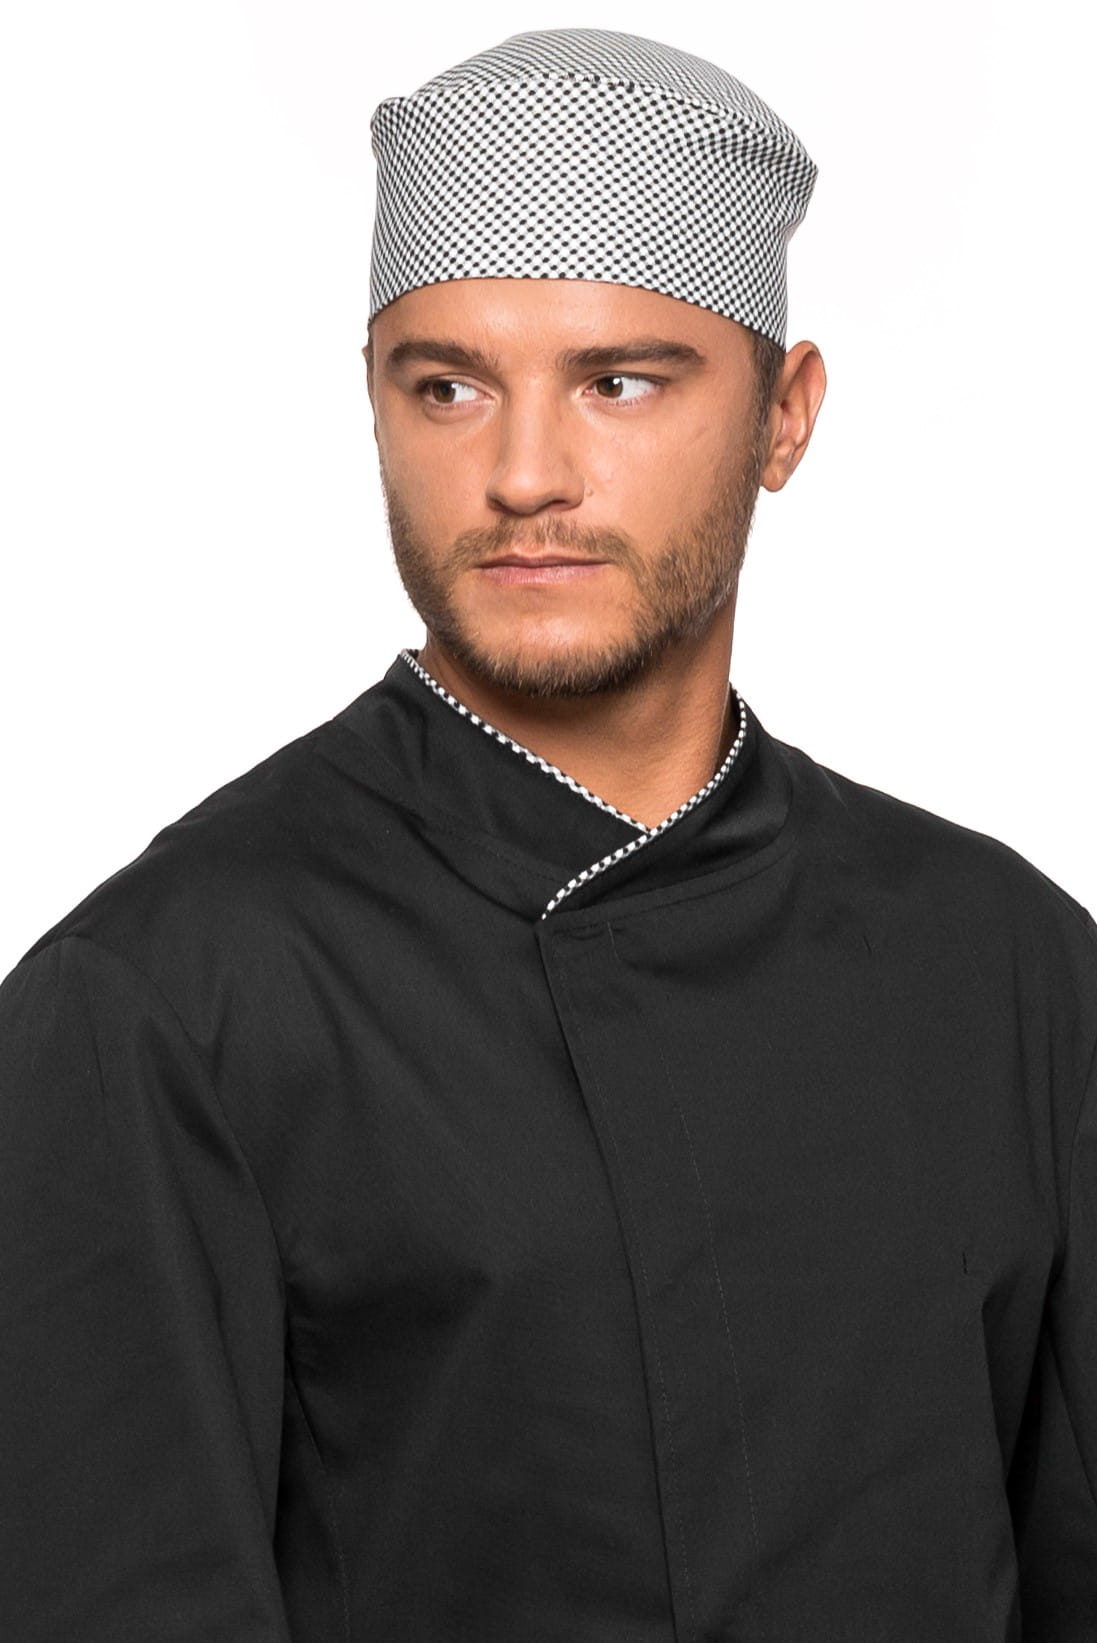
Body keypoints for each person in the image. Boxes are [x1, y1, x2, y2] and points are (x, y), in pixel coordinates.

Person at [1, 24, 1094, 1641]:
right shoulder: (160, 1003)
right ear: (374, 407)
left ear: (783, 418)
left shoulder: (1004, 964)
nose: (521, 474)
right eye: (446, 387)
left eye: (618, 381)